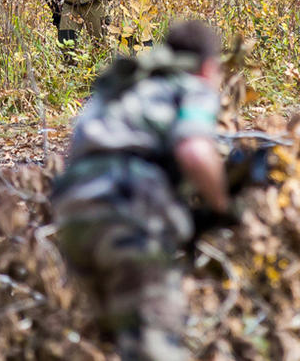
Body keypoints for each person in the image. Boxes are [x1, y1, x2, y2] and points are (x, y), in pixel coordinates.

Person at [51, 20, 232, 360]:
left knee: (108, 343)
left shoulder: (120, 86)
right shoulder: (192, 87)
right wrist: (222, 205)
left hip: (72, 215)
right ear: (209, 66)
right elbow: (194, 151)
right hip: (126, 214)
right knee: (153, 345)